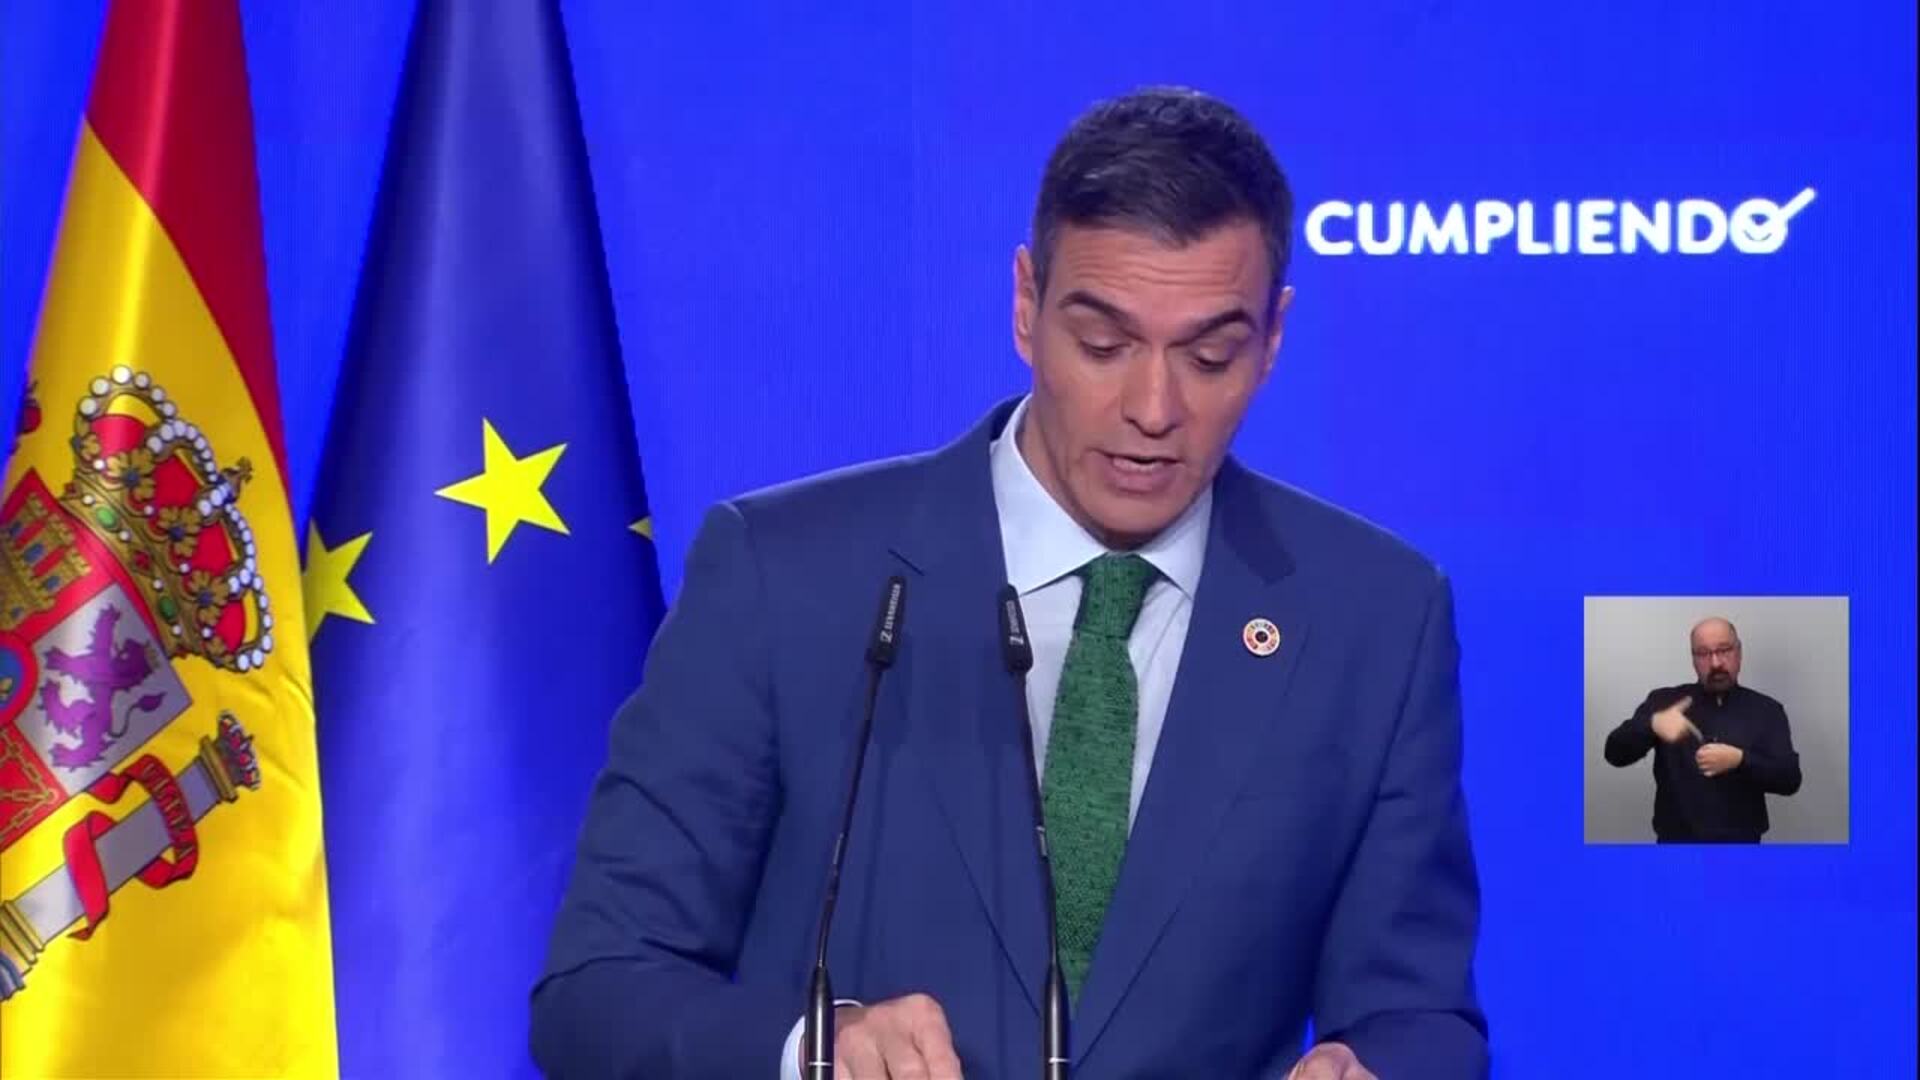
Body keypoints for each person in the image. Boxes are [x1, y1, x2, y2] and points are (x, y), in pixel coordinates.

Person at [532, 86, 1487, 1080]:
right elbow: (595, 992)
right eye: (1104, 345)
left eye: (1210, 356)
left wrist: (1376, 1066)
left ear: (1273, 337)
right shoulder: (784, 576)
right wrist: (811, 1051)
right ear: (1026, 304)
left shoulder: (1374, 617)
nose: (1153, 407)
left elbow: (1419, 1013)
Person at [1602, 617, 1803, 843]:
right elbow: (1614, 754)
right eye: (1703, 653)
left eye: (1724, 650)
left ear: (1739, 652)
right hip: (1675, 849)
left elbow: (1790, 779)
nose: (1715, 663)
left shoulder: (1767, 709)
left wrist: (1740, 760)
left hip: (1742, 850)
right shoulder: (1664, 702)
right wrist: (1651, 725)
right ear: (1693, 659)